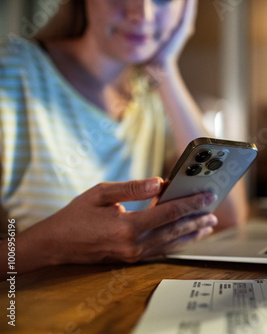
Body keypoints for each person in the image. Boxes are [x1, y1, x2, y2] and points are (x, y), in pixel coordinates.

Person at [0, 0, 248, 279]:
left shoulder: (153, 99)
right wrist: (53, 246)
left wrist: (166, 69)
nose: (142, 14)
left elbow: (226, 217)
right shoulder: (9, 75)